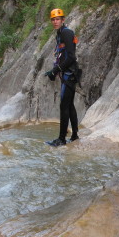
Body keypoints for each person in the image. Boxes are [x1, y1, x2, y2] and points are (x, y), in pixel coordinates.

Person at [44, 8, 79, 146]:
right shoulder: (60, 34)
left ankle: (61, 139)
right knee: (69, 105)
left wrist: (56, 70)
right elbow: (62, 56)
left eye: (57, 19)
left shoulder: (66, 33)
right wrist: (54, 70)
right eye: (53, 19)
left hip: (70, 74)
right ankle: (75, 135)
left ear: (63, 20)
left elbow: (71, 56)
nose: (55, 21)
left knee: (64, 106)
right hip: (67, 73)